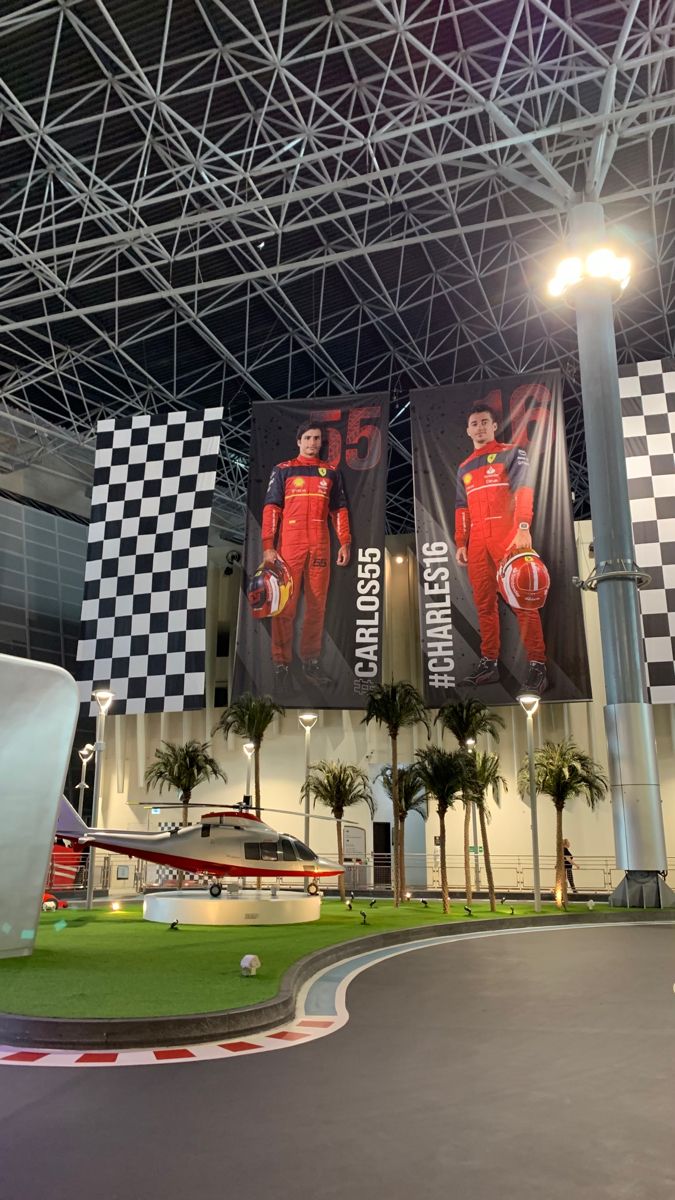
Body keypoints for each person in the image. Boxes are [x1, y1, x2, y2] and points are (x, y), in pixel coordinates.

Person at [454, 403, 547, 694]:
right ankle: (489, 663)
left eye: (484, 421)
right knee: (484, 605)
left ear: (494, 426)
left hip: (508, 537)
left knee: (523, 600)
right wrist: (461, 542)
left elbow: (524, 491)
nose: (479, 427)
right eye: (474, 422)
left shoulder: (512, 451)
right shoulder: (464, 466)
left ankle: (537, 665)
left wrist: (522, 527)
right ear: (467, 430)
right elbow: (461, 508)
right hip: (478, 542)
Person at [262, 421, 351, 688]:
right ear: (299, 441)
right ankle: (281, 663)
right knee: (285, 606)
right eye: (309, 438)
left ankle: (310, 661)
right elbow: (271, 508)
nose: (313, 443)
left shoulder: (331, 472)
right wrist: (268, 545)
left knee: (317, 606)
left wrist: (345, 542)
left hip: (320, 545)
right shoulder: (283, 470)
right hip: (290, 546)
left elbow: (339, 511)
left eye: (318, 439)